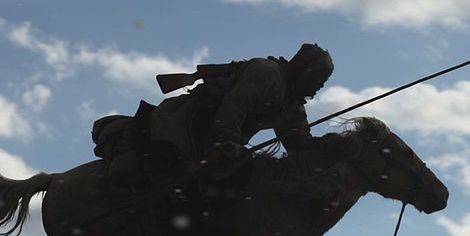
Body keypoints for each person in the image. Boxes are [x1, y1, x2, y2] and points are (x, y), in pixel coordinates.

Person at [106, 43, 334, 193]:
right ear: (304, 70)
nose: (320, 85)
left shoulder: (292, 106)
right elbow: (234, 106)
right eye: (319, 78)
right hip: (188, 130)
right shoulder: (268, 73)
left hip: (218, 148)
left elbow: (298, 143)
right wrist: (229, 141)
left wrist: (326, 146)